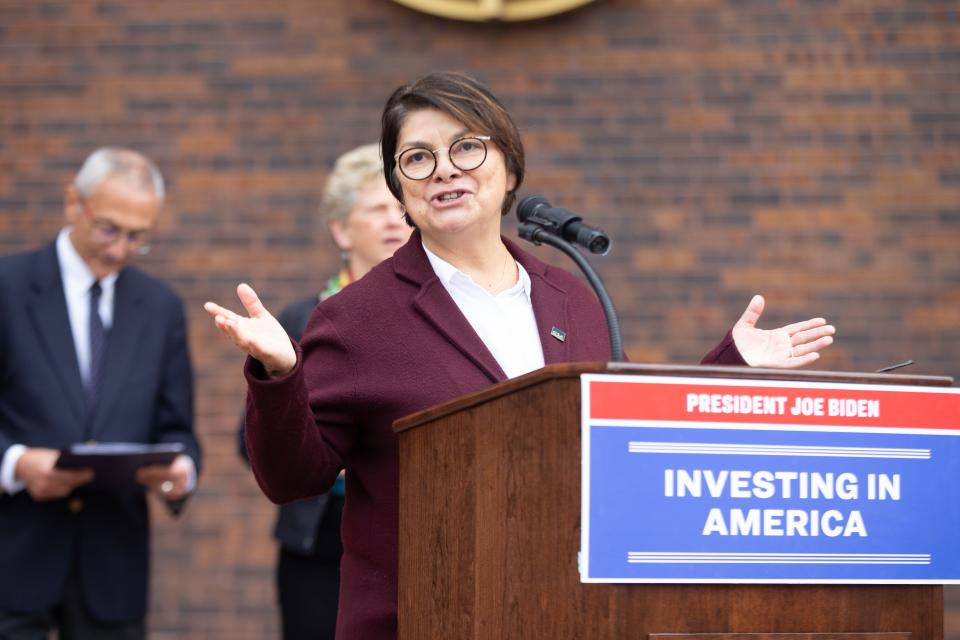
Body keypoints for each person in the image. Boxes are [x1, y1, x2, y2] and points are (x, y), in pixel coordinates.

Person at [205, 71, 835, 640]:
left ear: (508, 168)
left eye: (466, 148)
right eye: (417, 158)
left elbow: (619, 441)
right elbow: (293, 479)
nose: (444, 170)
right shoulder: (356, 318)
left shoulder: (571, 296)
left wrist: (729, 367)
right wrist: (280, 374)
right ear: (400, 188)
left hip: (564, 614)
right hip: (420, 620)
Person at [0, 147, 201, 639]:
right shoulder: (6, 287)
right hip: (12, 559)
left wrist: (181, 473)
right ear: (74, 202)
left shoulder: (161, 308)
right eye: (109, 229)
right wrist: (16, 463)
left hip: (113, 569)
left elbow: (178, 429)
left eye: (138, 237)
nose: (119, 249)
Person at [237, 142, 411, 640]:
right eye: (377, 209)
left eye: (401, 209)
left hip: (405, 530)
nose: (394, 221)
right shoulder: (300, 319)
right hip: (319, 542)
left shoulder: (433, 315)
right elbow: (249, 439)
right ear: (340, 229)